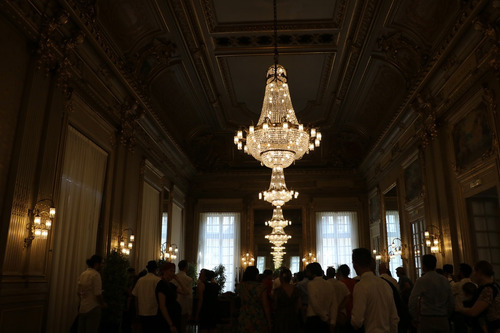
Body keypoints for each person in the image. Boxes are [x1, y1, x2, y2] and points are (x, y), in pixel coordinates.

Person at [350, 248, 399, 333]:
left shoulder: (360, 286)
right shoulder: (385, 284)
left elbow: (357, 321)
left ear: (355, 265)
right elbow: (394, 318)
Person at [409, 254, 454, 333]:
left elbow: (412, 301)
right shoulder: (444, 280)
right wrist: (447, 315)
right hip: (442, 318)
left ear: (424, 265)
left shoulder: (421, 280)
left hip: (427, 319)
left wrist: (415, 317)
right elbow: (451, 301)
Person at [458, 260, 500, 333]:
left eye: (474, 272)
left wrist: (460, 309)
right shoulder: (495, 286)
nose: (473, 275)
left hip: (489, 328)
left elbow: (474, 312)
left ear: (479, 272)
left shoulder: (488, 289)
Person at [77, 254, 107, 333]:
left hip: (82, 308)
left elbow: (78, 292)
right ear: (97, 264)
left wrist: (82, 300)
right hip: (93, 307)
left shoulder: (83, 274)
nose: (103, 266)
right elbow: (97, 293)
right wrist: (103, 303)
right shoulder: (96, 275)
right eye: (102, 263)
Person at [236, 266, 272, 333]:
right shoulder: (261, 287)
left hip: (244, 315)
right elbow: (265, 305)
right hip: (257, 315)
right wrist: (269, 321)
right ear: (256, 275)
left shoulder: (240, 286)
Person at [156, 262, 186, 333]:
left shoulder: (171, 285)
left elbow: (186, 292)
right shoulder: (161, 285)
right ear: (164, 271)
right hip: (167, 319)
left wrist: (178, 280)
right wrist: (171, 324)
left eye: (174, 271)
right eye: (171, 271)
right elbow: (162, 306)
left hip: (174, 317)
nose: (172, 273)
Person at [132, 260, 161, 332]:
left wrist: (137, 310)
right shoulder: (157, 280)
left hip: (142, 311)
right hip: (154, 311)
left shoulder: (140, 280)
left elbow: (135, 296)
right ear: (156, 269)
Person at [305, 262, 333, 333]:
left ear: (312, 272)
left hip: (314, 319)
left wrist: (324, 317)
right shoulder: (328, 284)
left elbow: (314, 304)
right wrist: (332, 321)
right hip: (326, 316)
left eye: (308, 272)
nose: (307, 274)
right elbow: (333, 303)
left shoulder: (311, 284)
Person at [272, 268, 302, 333]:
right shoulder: (296, 289)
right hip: (293, 316)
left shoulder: (277, 291)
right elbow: (299, 305)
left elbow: (275, 305)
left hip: (280, 317)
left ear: (280, 278)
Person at [172, 260, 193, 333]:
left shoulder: (173, 278)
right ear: (186, 267)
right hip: (184, 306)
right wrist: (189, 311)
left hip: (173, 306)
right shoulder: (189, 279)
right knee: (183, 328)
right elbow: (189, 296)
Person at [326, 266, 350, 331]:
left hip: (328, 313)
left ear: (327, 274)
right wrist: (341, 306)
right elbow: (348, 296)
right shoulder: (341, 284)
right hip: (341, 313)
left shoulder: (324, 285)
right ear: (334, 274)